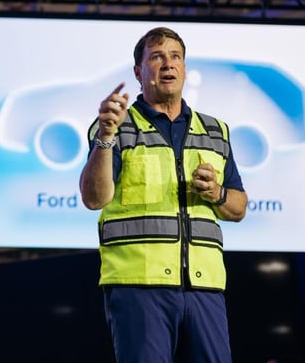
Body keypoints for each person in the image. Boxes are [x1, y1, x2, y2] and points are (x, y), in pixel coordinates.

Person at [79, 26, 248, 363]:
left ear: (184, 68)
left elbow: (239, 206)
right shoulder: (116, 127)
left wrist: (215, 192)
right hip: (139, 285)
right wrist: (106, 137)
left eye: (175, 57)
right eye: (156, 57)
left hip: (204, 287)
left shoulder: (215, 130)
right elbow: (94, 198)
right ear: (138, 72)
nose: (168, 64)